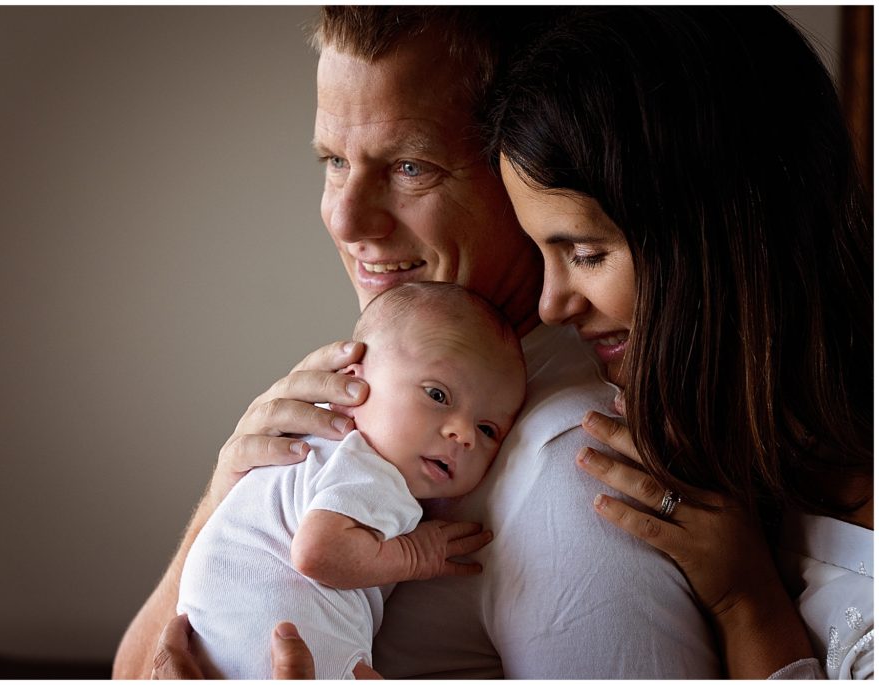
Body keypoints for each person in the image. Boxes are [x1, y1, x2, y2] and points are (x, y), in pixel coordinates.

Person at [114, 7, 720, 679]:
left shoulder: (573, 472)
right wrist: (226, 493)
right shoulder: (365, 390)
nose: (346, 218)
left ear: (520, 170)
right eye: (334, 160)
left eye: (409, 166)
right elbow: (140, 670)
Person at [489, 6, 873, 679]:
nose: (552, 304)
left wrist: (745, 599)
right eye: (541, 253)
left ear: (714, 234)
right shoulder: (740, 445)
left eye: (582, 251)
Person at [176, 281, 526, 679]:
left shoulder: (319, 449)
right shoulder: (369, 467)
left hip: (226, 639)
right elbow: (317, 551)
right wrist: (416, 555)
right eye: (438, 395)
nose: (463, 434)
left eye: (487, 430)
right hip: (271, 645)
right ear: (352, 385)